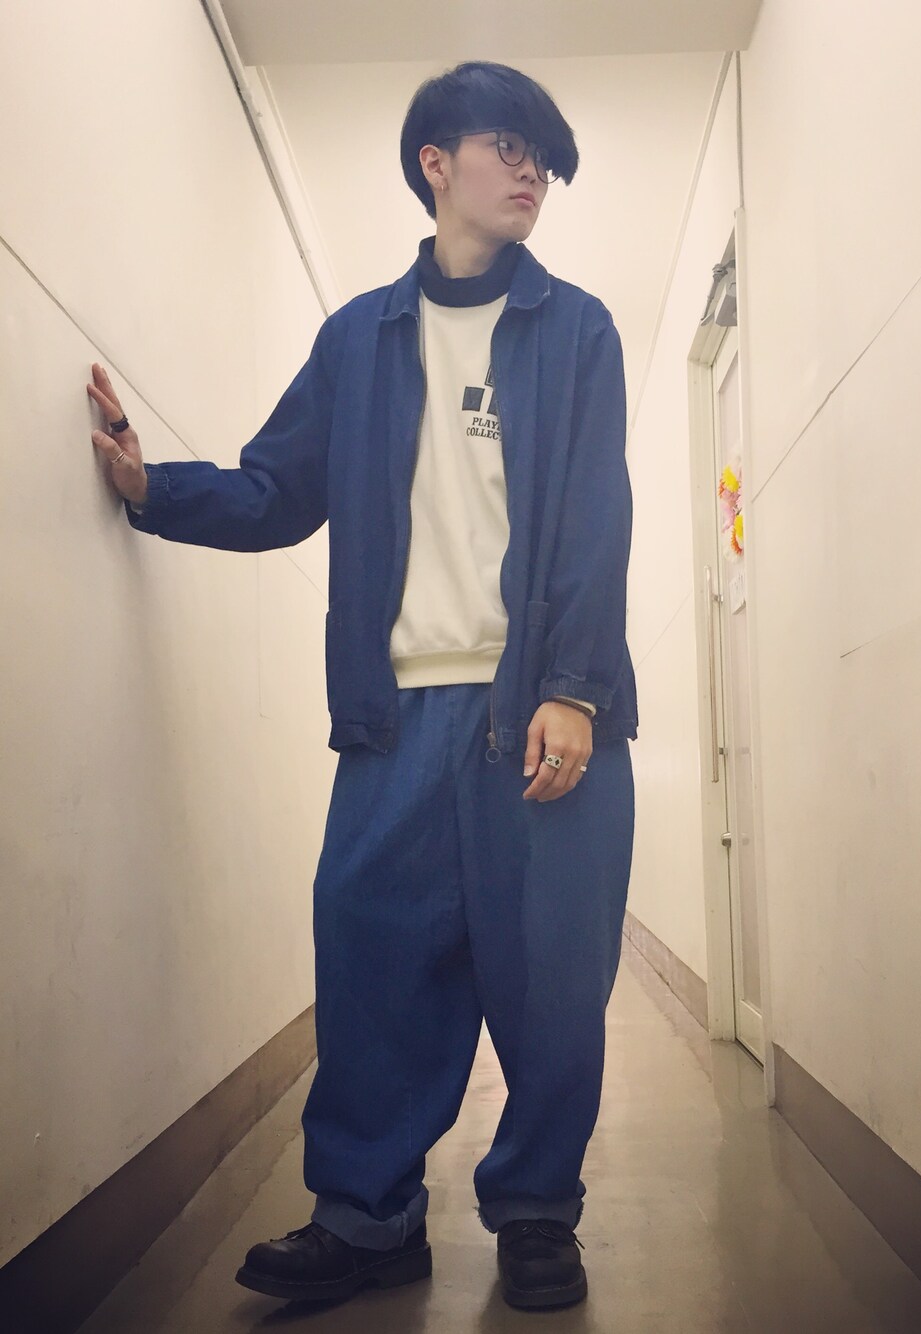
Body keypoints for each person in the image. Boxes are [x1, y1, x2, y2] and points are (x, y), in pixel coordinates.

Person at [88, 60, 638, 1313]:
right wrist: (152, 489)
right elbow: (278, 488)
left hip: (544, 710)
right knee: (371, 955)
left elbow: (593, 520)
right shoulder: (359, 341)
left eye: (545, 159)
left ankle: (536, 1211)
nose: (532, 174)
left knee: (552, 980)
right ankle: (368, 1216)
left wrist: (572, 686)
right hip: (396, 716)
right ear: (436, 163)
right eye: (508, 147)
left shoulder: (579, 330)